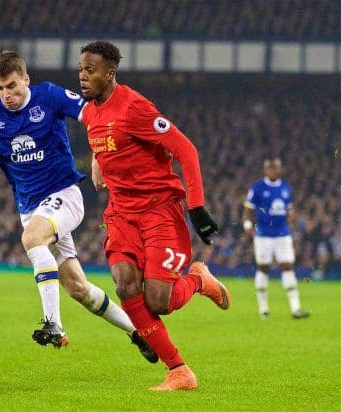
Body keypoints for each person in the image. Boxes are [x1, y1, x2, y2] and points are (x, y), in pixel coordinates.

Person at [0, 50, 157, 362]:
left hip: (65, 195)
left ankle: (53, 325)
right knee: (78, 288)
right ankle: (138, 333)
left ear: (26, 79)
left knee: (31, 239)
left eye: (12, 86)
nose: (7, 95)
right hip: (30, 207)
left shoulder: (50, 96)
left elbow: (95, 115)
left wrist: (100, 153)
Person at [77, 40, 231, 391]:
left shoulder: (134, 108)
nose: (83, 77)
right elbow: (108, 141)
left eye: (91, 70)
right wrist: (99, 162)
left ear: (110, 74)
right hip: (121, 213)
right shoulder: (90, 111)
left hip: (160, 210)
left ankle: (198, 280)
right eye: (81, 70)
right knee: (124, 283)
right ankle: (178, 370)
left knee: (159, 302)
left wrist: (196, 206)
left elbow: (185, 149)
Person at [243, 158, 310, 319]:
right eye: (270, 168)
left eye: (275, 168)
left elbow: (290, 208)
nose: (272, 171)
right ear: (266, 170)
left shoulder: (286, 188)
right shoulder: (258, 187)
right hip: (263, 234)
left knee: (287, 266)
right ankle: (263, 309)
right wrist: (247, 225)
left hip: (283, 234)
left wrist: (292, 215)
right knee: (263, 267)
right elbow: (248, 209)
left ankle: (295, 309)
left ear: (280, 170)